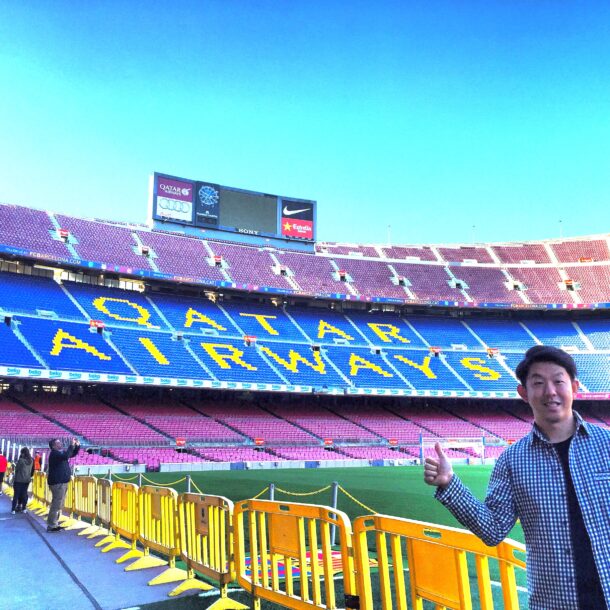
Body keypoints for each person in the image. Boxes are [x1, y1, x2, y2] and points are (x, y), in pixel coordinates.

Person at [424, 345, 610, 610]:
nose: (550, 391)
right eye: (538, 383)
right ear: (523, 393)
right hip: (554, 603)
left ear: (574, 387)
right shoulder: (512, 461)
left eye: (558, 381)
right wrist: (449, 484)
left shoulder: (606, 445)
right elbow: (493, 530)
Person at [46, 437, 80, 532]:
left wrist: (77, 446)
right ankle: (51, 525)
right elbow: (66, 456)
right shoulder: (55, 454)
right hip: (58, 483)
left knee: (59, 504)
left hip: (62, 482)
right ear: (53, 446)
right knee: (56, 504)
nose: (60, 443)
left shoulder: (59, 453)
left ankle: (54, 523)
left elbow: (71, 454)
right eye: (58, 443)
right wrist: (71, 445)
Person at [11, 447, 33, 514]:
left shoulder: (21, 460)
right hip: (26, 480)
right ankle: (24, 508)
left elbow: (17, 469)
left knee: (16, 494)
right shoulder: (31, 461)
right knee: (24, 494)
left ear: (23, 453)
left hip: (19, 480)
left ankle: (13, 509)